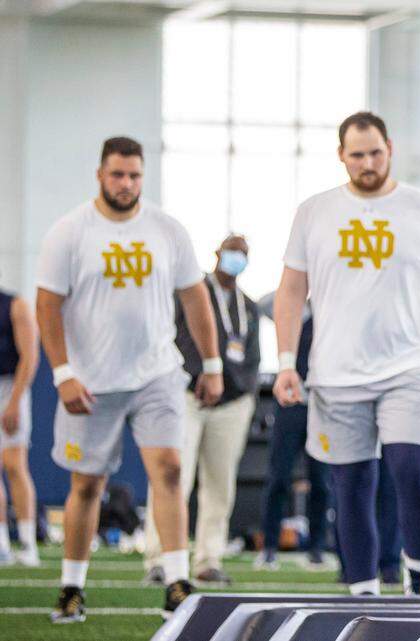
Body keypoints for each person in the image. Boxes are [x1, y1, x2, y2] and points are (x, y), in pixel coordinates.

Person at [273, 112, 420, 596]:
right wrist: (284, 362)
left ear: (390, 148)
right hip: (335, 372)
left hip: (409, 366)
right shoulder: (314, 211)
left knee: (410, 468)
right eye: (357, 154)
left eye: (375, 152)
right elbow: (290, 290)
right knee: (351, 484)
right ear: (341, 155)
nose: (367, 163)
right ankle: (363, 590)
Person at [37, 136, 222, 622]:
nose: (126, 184)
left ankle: (177, 581)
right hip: (91, 383)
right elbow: (47, 304)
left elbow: (195, 297)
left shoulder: (166, 229)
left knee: (170, 469)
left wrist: (212, 363)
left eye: (135, 175)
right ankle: (71, 587)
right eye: (118, 175)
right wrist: (62, 373)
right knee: (87, 484)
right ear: (100, 174)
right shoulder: (70, 231)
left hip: (157, 374)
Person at [142, 234, 261, 585]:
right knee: (171, 475)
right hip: (188, 396)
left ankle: (209, 559)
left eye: (243, 253)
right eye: (232, 251)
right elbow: (175, 338)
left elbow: (251, 357)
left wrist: (238, 389)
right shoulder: (191, 293)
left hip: (232, 403)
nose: (236, 258)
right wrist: (199, 377)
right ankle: (160, 559)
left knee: (220, 484)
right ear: (217, 254)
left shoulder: (249, 306)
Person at [253, 291, 331, 572]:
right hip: (290, 404)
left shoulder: (333, 308)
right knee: (278, 477)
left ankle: (317, 548)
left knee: (321, 481)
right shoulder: (291, 306)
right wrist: (295, 287)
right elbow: (262, 304)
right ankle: (270, 547)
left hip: (323, 405)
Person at [0, 285, 40, 568]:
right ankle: (1, 545)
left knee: (15, 465)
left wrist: (14, 401)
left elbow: (30, 356)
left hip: (10, 386)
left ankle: (27, 544)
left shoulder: (15, 305)